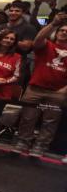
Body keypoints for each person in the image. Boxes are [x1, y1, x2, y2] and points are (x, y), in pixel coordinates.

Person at [16, 11, 67, 158]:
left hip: (57, 92)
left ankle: (40, 145)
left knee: (50, 122)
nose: (64, 33)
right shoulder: (46, 46)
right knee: (28, 117)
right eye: (61, 31)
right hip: (35, 89)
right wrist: (54, 24)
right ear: (56, 33)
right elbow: (38, 39)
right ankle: (22, 142)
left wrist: (64, 91)